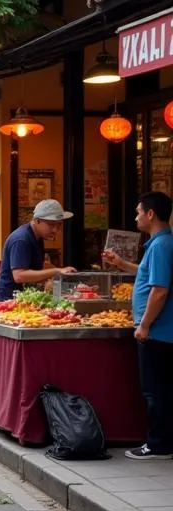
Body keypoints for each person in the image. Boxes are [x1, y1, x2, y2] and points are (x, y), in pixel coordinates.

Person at [103, 192, 173, 459]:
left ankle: (159, 445)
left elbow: (159, 290)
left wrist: (144, 325)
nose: (136, 217)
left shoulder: (160, 245)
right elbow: (148, 275)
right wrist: (121, 264)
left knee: (155, 390)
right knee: (160, 388)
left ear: (151, 214)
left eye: (138, 212)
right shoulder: (159, 244)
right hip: (160, 331)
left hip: (158, 333)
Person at [0, 199, 77, 301]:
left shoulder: (37, 236)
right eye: (51, 225)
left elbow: (36, 265)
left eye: (58, 225)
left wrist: (61, 272)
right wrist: (56, 271)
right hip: (9, 299)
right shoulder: (22, 239)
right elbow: (19, 275)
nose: (55, 230)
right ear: (37, 221)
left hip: (24, 297)